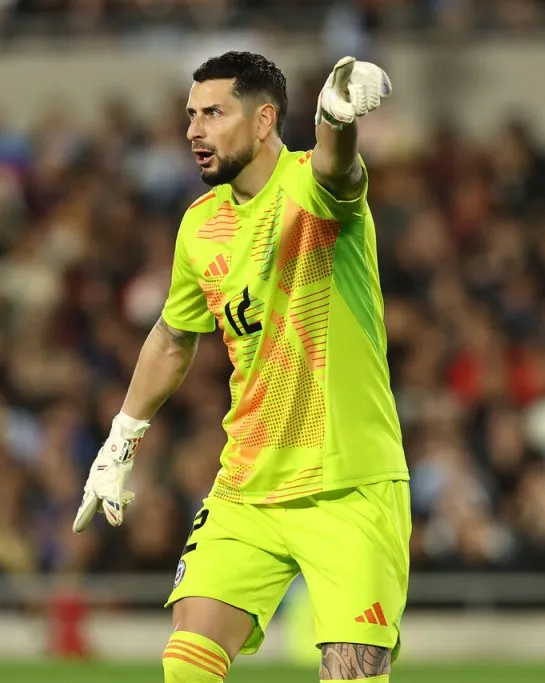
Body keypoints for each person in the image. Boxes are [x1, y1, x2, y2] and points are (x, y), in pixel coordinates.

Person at [73, 52, 410, 683]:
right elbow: (174, 335)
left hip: (349, 485)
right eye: (190, 116)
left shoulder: (312, 184)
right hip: (246, 486)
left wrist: (335, 117)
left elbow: (340, 168)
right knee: (186, 665)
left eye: (214, 114)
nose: (195, 131)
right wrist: (122, 436)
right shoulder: (200, 227)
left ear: (263, 121)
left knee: (352, 675)